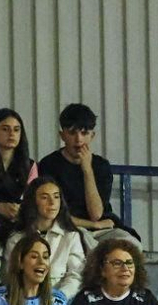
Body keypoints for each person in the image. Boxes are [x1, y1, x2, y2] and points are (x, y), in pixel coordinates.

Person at [37, 103, 135, 242]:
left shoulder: (101, 166)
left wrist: (87, 169)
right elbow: (52, 214)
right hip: (66, 228)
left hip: (102, 229)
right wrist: (93, 225)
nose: (78, 139)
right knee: (82, 243)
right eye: (72, 133)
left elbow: (96, 213)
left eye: (84, 133)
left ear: (92, 135)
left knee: (130, 243)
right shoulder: (49, 165)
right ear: (62, 135)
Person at [6, 176, 86, 298]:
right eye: (44, 197)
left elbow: (76, 275)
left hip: (62, 301)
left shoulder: (71, 236)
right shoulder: (17, 238)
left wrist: (59, 298)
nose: (52, 202)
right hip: (25, 300)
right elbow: (11, 275)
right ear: (33, 202)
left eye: (56, 196)